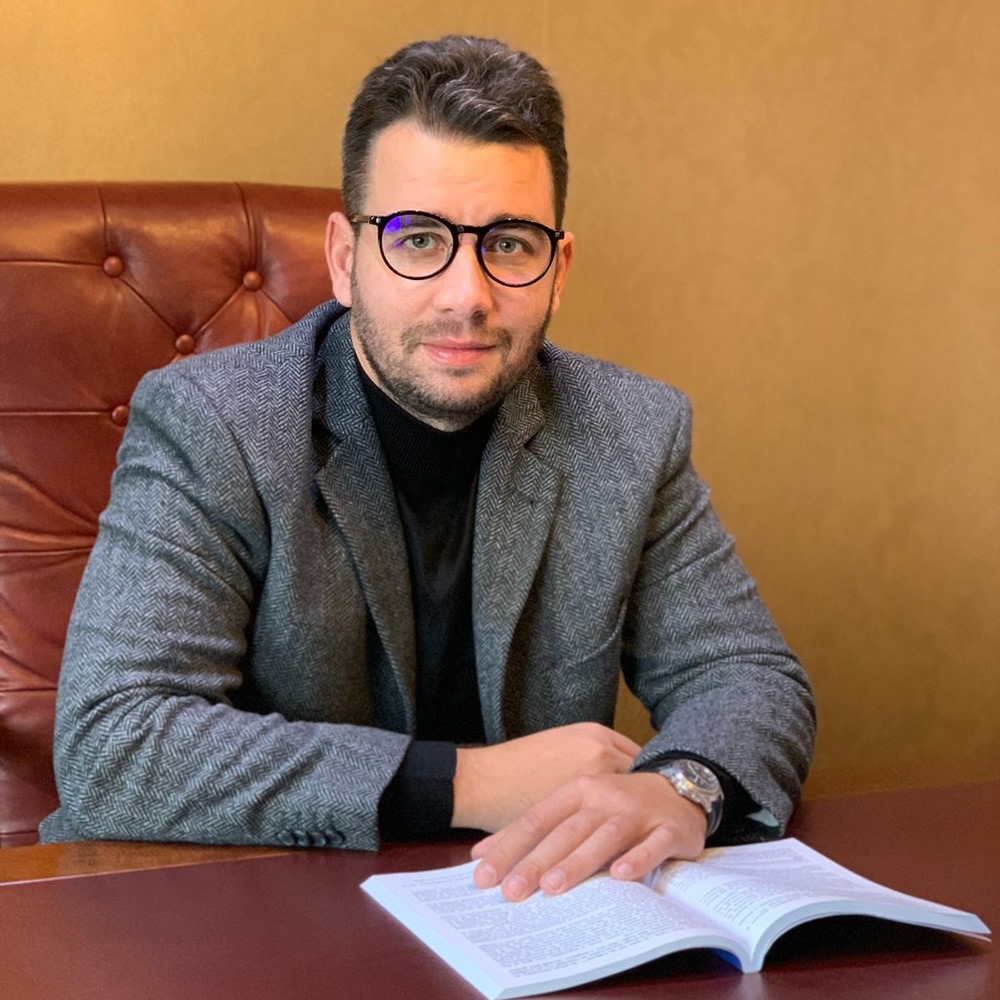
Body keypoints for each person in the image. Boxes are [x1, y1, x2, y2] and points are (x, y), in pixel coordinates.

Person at [42, 35, 815, 903]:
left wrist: (683, 787)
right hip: (252, 908)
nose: (466, 296)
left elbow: (748, 676)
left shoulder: (632, 431)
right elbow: (115, 742)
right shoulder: (214, 424)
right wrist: (468, 783)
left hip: (525, 912)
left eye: (509, 245)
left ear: (557, 270)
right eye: (417, 239)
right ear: (346, 260)